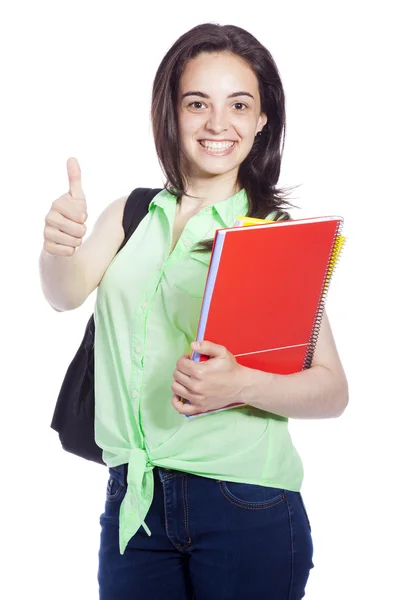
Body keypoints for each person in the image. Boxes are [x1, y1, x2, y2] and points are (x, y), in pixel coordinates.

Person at [39, 22, 349, 600]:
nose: (216, 124)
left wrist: (241, 383)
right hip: (135, 500)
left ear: (262, 121)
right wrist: (57, 248)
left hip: (244, 500)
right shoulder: (129, 214)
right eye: (197, 103)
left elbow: (332, 391)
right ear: (170, 111)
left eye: (239, 104)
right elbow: (64, 293)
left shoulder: (269, 237)